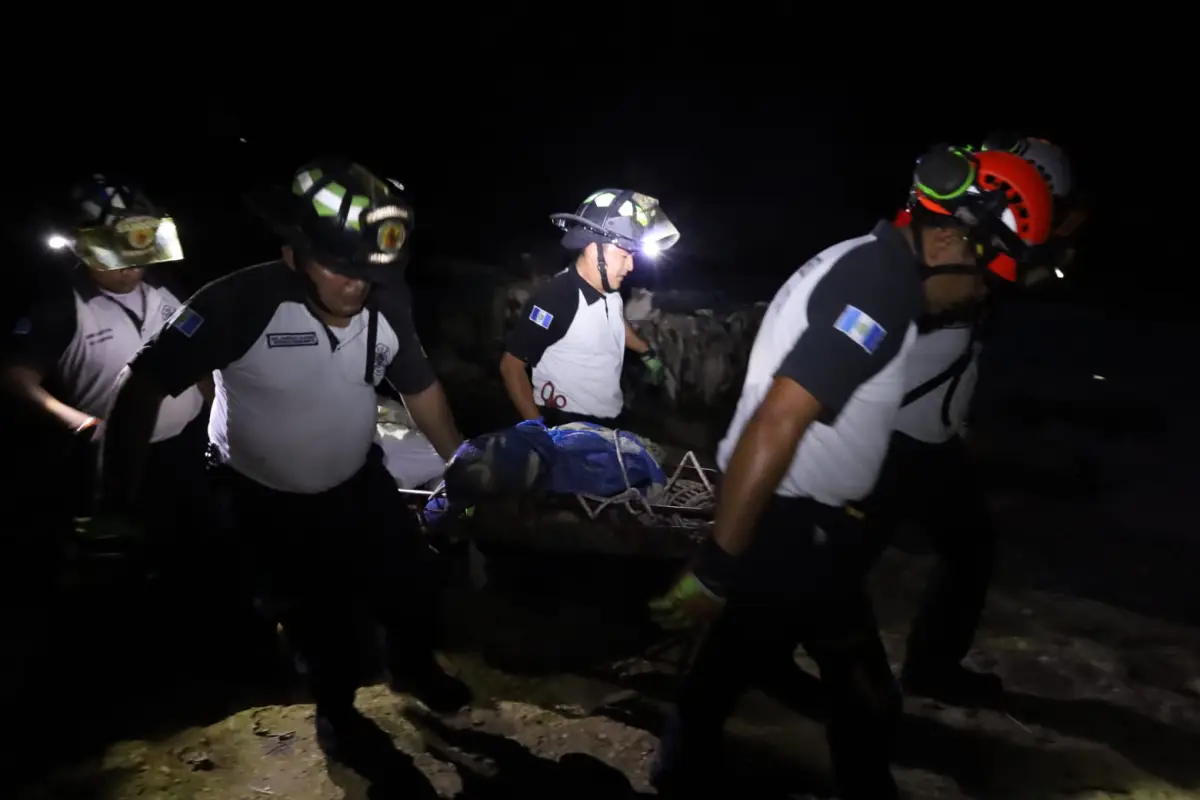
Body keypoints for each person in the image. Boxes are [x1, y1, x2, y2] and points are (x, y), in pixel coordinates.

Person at [647, 147, 1015, 799]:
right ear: (950, 239)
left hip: (784, 517)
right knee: (867, 695)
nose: (981, 293)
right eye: (985, 276)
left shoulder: (864, 262)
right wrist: (716, 567)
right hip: (797, 526)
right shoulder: (879, 289)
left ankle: (681, 768)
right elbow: (779, 420)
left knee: (737, 648)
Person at [95, 158, 472, 763]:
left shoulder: (386, 301)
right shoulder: (234, 303)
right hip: (265, 498)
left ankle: (413, 668)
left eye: (372, 271)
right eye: (341, 267)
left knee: (408, 580)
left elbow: (419, 387)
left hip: (359, 480)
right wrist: (115, 499)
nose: (357, 285)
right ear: (294, 252)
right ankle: (337, 712)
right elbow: (140, 387)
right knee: (319, 619)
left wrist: (463, 461)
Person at [869, 147, 1057, 705]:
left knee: (970, 548)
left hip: (931, 438)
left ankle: (931, 667)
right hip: (889, 436)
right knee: (835, 560)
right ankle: (744, 660)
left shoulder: (967, 253)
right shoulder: (936, 259)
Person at [1, 175, 209, 564]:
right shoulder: (61, 305)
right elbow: (16, 376)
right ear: (82, 248)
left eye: (138, 257)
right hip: (109, 459)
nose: (131, 271)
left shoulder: (167, 286)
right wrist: (74, 420)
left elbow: (197, 353)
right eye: (115, 260)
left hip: (184, 448)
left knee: (185, 542)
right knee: (115, 550)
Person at [499, 189, 679, 428]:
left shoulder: (611, 292)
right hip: (567, 425)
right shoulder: (555, 299)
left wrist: (646, 352)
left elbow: (614, 323)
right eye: (625, 254)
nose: (631, 266)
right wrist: (541, 433)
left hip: (609, 419)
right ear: (595, 250)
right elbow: (511, 367)